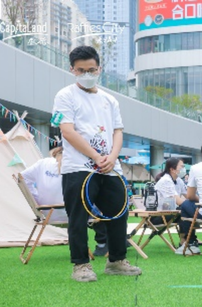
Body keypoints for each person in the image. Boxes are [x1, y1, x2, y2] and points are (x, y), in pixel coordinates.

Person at [53, 45, 141, 282]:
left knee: (118, 212)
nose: (87, 74)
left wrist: (112, 157)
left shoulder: (110, 100)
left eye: (91, 69)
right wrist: (95, 156)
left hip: (110, 168)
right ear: (72, 70)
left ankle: (116, 261)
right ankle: (81, 265)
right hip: (79, 167)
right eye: (81, 70)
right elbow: (67, 132)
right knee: (79, 217)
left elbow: (118, 131)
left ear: (99, 68)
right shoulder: (65, 95)